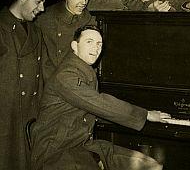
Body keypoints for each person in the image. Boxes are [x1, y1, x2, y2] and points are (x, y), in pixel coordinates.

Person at [30, 25, 169, 170]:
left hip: (84, 145)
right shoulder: (66, 76)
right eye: (89, 42)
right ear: (74, 46)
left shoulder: (85, 71)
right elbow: (100, 103)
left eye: (99, 44)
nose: (95, 48)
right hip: (57, 151)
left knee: (151, 166)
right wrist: (145, 114)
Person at [0, 0, 46, 169]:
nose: (42, 8)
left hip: (29, 112)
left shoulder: (35, 30)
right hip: (6, 114)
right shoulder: (1, 27)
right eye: (38, 2)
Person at [36, 0, 96, 80]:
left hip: (76, 78)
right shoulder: (45, 18)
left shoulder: (89, 20)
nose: (84, 3)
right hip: (49, 79)